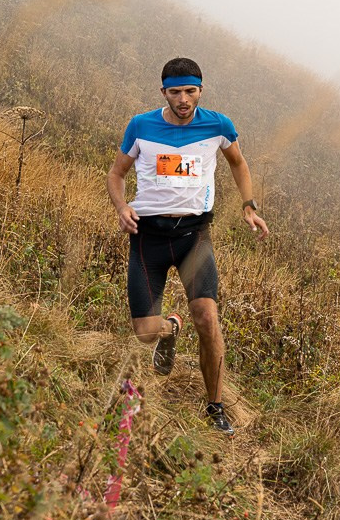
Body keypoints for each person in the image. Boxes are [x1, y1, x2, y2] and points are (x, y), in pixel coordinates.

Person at [106, 57, 269, 436]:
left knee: (208, 318)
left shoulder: (219, 125)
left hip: (194, 236)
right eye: (175, 91)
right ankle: (169, 328)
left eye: (190, 91)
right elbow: (116, 174)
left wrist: (248, 205)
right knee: (145, 332)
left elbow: (238, 164)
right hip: (147, 237)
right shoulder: (141, 125)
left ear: (201, 90)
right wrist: (121, 207)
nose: (183, 99)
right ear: (163, 91)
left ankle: (215, 406)